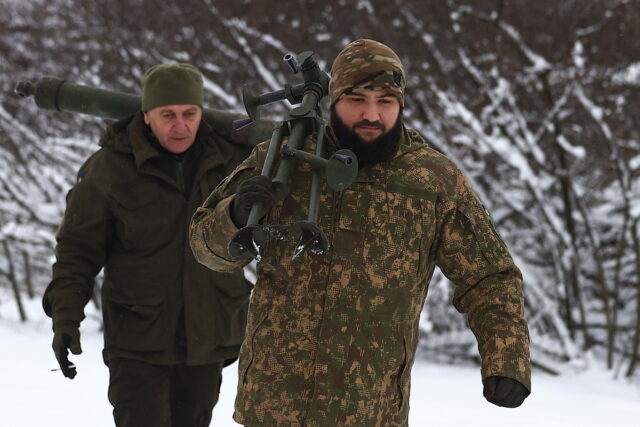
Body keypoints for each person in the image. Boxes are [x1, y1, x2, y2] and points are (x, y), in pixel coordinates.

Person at [190, 39, 531, 426]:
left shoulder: (433, 181)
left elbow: (489, 277)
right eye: (356, 99)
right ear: (333, 100)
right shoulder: (286, 157)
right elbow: (205, 248)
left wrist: (506, 357)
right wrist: (233, 216)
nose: (372, 114)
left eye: (386, 101)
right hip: (274, 405)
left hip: (371, 409)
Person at [43, 63, 254, 427]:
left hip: (209, 335)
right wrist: (66, 318)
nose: (180, 125)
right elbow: (77, 251)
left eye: (190, 114)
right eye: (167, 114)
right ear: (146, 115)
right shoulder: (109, 168)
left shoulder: (233, 162)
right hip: (137, 337)